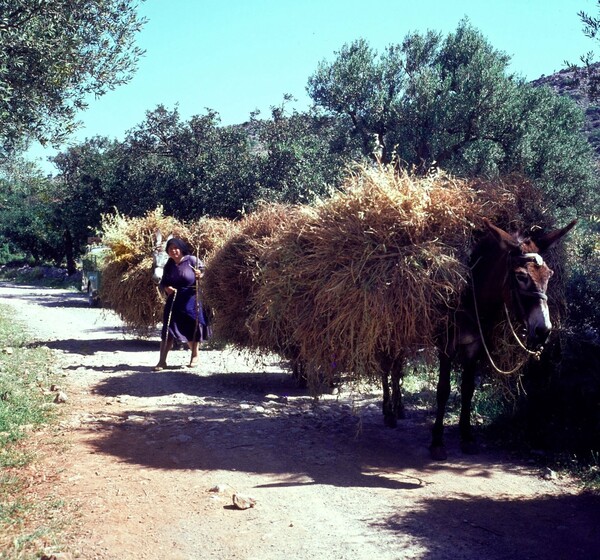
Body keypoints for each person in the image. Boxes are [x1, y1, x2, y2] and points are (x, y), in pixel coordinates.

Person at [154, 238, 210, 370]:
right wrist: (166, 287)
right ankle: (162, 361)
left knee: (191, 328)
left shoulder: (192, 260)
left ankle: (195, 355)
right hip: (174, 301)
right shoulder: (169, 264)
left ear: (181, 248)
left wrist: (200, 275)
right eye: (170, 249)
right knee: (168, 330)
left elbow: (205, 272)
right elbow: (163, 282)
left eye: (176, 248)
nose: (173, 251)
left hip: (191, 300)